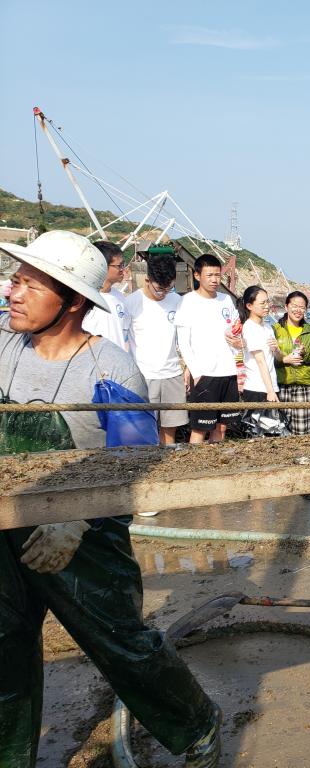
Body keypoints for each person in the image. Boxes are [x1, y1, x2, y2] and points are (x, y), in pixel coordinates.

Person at [0, 230, 221, 767]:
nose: (13, 293)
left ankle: (196, 726)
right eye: (14, 280)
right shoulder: (3, 346)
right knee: (5, 644)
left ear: (73, 301)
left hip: (83, 538)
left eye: (29, 285)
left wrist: (76, 522)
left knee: (119, 643)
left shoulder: (111, 369)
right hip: (7, 523)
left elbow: (132, 465)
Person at [174, 254, 243, 444]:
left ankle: (217, 461)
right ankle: (193, 462)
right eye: (209, 275)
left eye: (217, 275)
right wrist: (196, 373)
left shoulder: (226, 300)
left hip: (228, 372)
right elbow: (184, 343)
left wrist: (238, 342)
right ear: (197, 276)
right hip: (205, 374)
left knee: (222, 427)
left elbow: (235, 331)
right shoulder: (187, 301)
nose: (214, 280)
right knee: (200, 428)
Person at [124, 250, 188, 445]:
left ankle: (169, 458)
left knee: (170, 427)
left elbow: (185, 337)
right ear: (147, 280)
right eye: (160, 289)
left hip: (172, 374)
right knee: (144, 428)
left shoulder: (177, 301)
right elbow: (123, 341)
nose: (164, 293)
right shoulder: (131, 303)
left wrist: (188, 367)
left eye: (169, 288)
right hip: (144, 376)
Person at [272, 290, 310, 436]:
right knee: (280, 429)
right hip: (281, 384)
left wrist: (305, 353)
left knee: (302, 431)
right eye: (294, 306)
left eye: (302, 307)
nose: (298, 310)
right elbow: (267, 358)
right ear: (286, 306)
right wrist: (284, 359)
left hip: (303, 385)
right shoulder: (275, 330)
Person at [238, 285, 280, 435]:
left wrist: (276, 348)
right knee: (257, 434)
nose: (267, 306)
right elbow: (260, 361)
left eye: (267, 302)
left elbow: (275, 357)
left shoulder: (268, 327)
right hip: (257, 388)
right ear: (249, 306)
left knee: (272, 433)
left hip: (270, 385)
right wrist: (270, 391)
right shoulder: (249, 327)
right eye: (262, 303)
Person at [81, 240, 129, 350]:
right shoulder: (85, 300)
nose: (123, 270)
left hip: (117, 358)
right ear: (102, 266)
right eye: (119, 266)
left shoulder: (120, 297)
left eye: (123, 264)